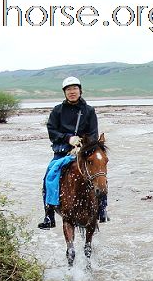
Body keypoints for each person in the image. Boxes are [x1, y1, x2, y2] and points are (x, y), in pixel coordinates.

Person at [37, 76, 109, 229]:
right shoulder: (57, 110)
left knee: (99, 174)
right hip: (62, 152)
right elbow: (52, 131)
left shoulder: (89, 110)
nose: (72, 92)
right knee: (48, 177)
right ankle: (49, 216)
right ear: (64, 92)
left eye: (75, 89)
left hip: (83, 152)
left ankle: (102, 210)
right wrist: (68, 139)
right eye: (69, 89)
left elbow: (93, 134)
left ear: (80, 90)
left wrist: (82, 145)